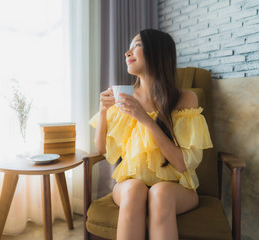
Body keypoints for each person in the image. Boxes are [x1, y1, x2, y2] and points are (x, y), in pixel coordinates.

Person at [89, 29, 213, 240]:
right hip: (130, 183)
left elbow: (182, 164)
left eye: (136, 45)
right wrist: (103, 112)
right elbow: (101, 149)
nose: (127, 52)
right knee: (134, 190)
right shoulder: (124, 98)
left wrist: (145, 119)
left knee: (160, 193)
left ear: (157, 52)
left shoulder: (186, 99)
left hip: (177, 187)